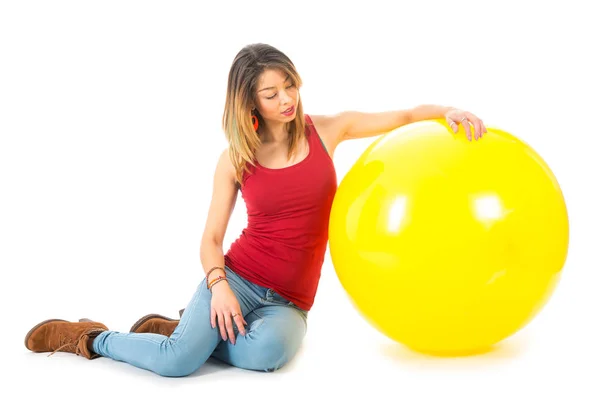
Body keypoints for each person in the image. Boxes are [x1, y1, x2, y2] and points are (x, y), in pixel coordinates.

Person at [24, 43, 487, 377]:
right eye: (271, 94)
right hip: (237, 281)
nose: (286, 99)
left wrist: (446, 111)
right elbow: (210, 240)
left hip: (290, 300)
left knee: (266, 356)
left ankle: (187, 329)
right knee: (175, 363)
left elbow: (403, 117)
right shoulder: (235, 159)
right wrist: (220, 288)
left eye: (289, 85)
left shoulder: (327, 130)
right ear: (250, 102)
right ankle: (91, 338)